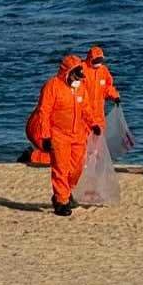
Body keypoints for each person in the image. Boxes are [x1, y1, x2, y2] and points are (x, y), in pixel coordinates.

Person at [32, 54, 95, 216]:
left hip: (78, 134)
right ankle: (61, 201)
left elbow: (86, 108)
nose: (78, 78)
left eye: (80, 75)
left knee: (76, 169)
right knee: (61, 168)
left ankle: (67, 192)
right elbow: (43, 112)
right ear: (67, 72)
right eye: (76, 74)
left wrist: (93, 124)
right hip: (58, 135)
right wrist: (45, 136)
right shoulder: (52, 86)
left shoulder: (80, 87)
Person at [82, 45, 121, 131]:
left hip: (99, 114)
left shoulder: (103, 70)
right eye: (96, 60)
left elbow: (108, 87)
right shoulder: (82, 69)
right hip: (84, 114)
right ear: (90, 59)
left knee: (99, 136)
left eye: (100, 60)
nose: (98, 63)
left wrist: (115, 96)